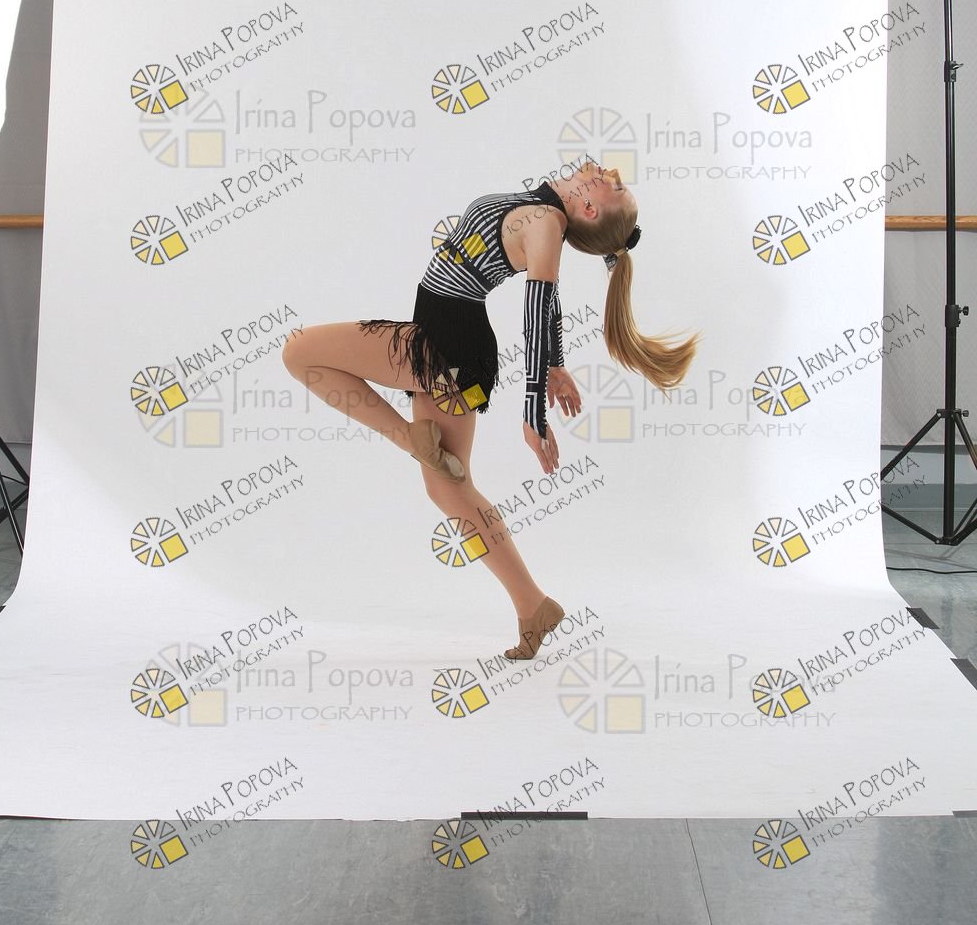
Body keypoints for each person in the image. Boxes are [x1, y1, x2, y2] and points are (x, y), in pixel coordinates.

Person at [280, 158, 699, 660]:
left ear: (588, 208)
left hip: (444, 349)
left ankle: (408, 439)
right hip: (455, 355)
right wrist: (557, 365)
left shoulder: (546, 223)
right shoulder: (542, 213)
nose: (609, 172)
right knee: (448, 487)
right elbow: (552, 305)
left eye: (616, 186)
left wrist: (533, 412)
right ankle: (534, 606)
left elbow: (536, 313)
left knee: (299, 352)